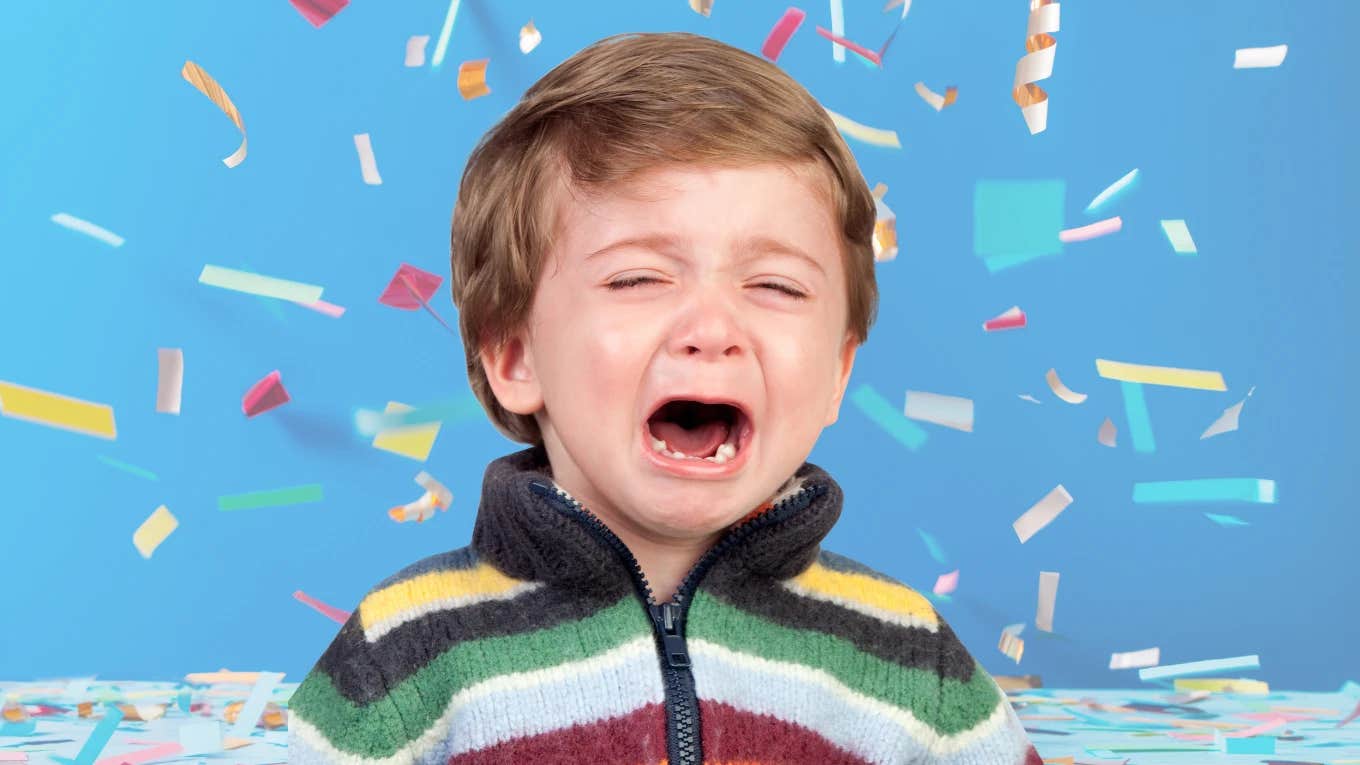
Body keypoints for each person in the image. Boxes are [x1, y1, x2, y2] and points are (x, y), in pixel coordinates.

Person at [287, 31, 1042, 765]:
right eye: (638, 278)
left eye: (775, 285)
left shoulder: (912, 663)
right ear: (515, 355)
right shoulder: (401, 658)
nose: (712, 329)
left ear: (839, 373)